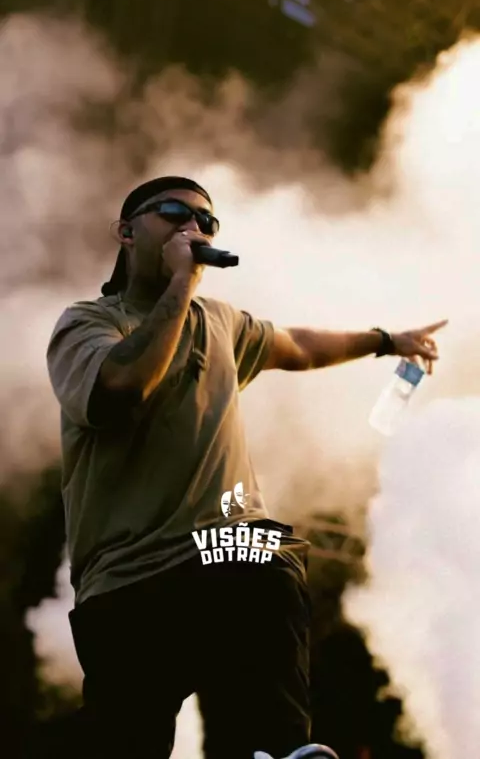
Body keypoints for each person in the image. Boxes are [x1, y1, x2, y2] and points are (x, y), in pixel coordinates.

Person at [46, 176, 447, 759]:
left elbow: (298, 346)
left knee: (265, 558)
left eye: (207, 221)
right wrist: (181, 283)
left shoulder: (221, 322)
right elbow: (124, 385)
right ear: (127, 233)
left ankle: (276, 749)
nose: (194, 228)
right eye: (174, 212)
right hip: (128, 580)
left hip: (220, 549)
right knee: (123, 737)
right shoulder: (87, 324)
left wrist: (386, 340)